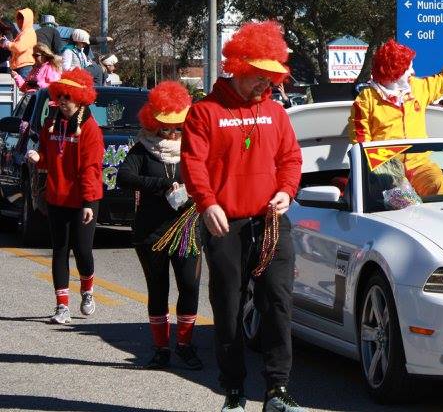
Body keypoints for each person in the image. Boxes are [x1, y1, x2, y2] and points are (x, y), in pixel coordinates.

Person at [181, 21, 304, 412]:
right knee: (228, 307)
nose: (264, 84)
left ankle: (277, 391)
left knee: (278, 304)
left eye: (270, 76)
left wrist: (286, 191)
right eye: (257, 76)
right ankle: (233, 391)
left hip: (270, 222)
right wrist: (207, 202)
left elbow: (290, 159)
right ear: (238, 67)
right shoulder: (205, 112)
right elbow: (193, 163)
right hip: (226, 223)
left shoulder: (276, 113)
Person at [118, 81, 202, 371]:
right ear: (154, 123)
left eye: (178, 126)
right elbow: (124, 178)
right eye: (167, 127)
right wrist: (161, 185)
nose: (173, 133)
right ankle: (161, 349)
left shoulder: (194, 148)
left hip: (186, 228)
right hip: (150, 231)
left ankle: (186, 345)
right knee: (158, 289)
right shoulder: (143, 148)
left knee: (189, 286)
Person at [349, 19, 443, 196]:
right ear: (395, 71)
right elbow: (361, 143)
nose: (413, 72)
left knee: (440, 185)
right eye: (408, 68)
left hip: (420, 166)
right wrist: (389, 173)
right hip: (386, 171)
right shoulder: (366, 100)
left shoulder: (417, 88)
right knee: (396, 198)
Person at [25, 69, 104, 324]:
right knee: (59, 250)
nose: (63, 102)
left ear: (80, 99)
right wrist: (39, 159)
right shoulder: (51, 124)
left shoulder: (90, 128)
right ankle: (61, 307)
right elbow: (47, 157)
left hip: (82, 200)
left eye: (68, 98)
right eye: (60, 97)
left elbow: (92, 168)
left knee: (82, 250)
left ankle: (88, 291)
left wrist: (90, 202)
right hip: (57, 198)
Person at [2, 7, 37, 80]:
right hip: (19, 66)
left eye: (21, 18)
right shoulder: (23, 33)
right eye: (18, 18)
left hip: (25, 67)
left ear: (27, 20)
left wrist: (7, 43)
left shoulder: (28, 32)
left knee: (24, 89)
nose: (19, 21)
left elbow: (19, 47)